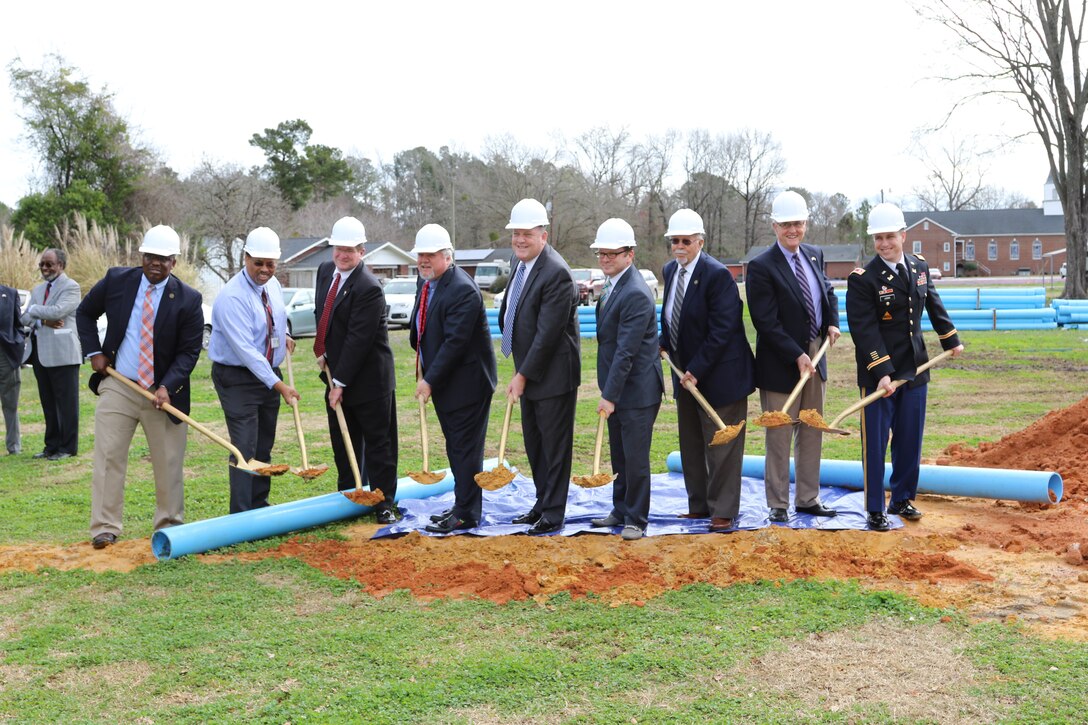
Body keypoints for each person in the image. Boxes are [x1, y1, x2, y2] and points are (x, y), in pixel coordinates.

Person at [75, 225, 204, 549]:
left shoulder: (189, 300)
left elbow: (189, 351)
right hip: (119, 384)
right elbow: (85, 312)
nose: (155, 264)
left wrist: (168, 386)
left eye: (163, 259)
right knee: (108, 456)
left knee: (168, 462)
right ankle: (104, 526)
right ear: (141, 256)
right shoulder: (118, 281)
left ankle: (170, 525)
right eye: (150, 257)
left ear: (173, 262)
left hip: (162, 393)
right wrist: (95, 352)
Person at [846, 203, 964, 532]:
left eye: (890, 236)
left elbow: (934, 305)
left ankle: (901, 497)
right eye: (878, 238)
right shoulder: (863, 279)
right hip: (879, 372)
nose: (884, 243)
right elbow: (863, 329)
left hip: (916, 367)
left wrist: (950, 339)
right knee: (876, 442)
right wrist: (881, 372)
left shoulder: (919, 266)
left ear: (903, 235)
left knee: (909, 439)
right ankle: (874, 508)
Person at [746, 191, 841, 523]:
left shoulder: (814, 255)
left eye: (798, 223)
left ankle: (807, 497)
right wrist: (796, 354)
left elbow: (827, 291)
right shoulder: (760, 267)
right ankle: (778, 503)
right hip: (780, 360)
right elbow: (764, 320)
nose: (793, 230)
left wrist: (832, 321)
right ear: (774, 225)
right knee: (780, 432)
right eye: (786, 224)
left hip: (817, 354)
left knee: (812, 428)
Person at [659, 208, 755, 533]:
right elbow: (673, 314)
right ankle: (697, 505)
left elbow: (723, 329)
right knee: (691, 443)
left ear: (700, 241)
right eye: (675, 241)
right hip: (685, 376)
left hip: (720, 376)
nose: (680, 247)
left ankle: (723, 510)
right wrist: (663, 341)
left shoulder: (717, 276)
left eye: (686, 241)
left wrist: (697, 369)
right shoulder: (671, 271)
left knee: (722, 445)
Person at [406, 224, 498, 534]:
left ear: (447, 256)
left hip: (467, 384)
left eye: (430, 255)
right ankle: (462, 504)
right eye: (420, 255)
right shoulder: (427, 283)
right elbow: (420, 326)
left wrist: (429, 380)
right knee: (455, 447)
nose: (424, 261)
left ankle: (467, 513)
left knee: (465, 450)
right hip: (447, 382)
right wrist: (419, 356)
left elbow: (455, 344)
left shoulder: (461, 289)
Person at [498, 198, 581, 535]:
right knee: (534, 443)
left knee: (554, 446)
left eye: (527, 234)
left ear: (543, 235)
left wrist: (522, 375)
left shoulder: (556, 273)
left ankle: (554, 513)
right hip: (530, 372)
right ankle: (541, 502)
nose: (520, 239)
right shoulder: (520, 265)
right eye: (516, 233)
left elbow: (547, 335)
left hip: (553, 376)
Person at [313, 216, 400, 524]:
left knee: (379, 444)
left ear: (362, 251)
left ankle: (384, 502)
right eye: (339, 248)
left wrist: (339, 383)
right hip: (336, 375)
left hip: (370, 380)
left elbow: (358, 341)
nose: (343, 255)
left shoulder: (369, 288)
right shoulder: (325, 272)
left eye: (350, 250)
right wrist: (321, 351)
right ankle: (349, 496)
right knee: (342, 440)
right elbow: (321, 311)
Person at [207, 227, 299, 513]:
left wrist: (281, 336)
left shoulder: (272, 285)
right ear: (245, 258)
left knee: (263, 444)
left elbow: (272, 319)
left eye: (270, 264)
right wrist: (279, 385)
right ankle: (242, 514)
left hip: (267, 373)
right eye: (258, 262)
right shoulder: (232, 297)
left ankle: (260, 505)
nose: (264, 269)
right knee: (244, 447)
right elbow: (246, 352)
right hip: (237, 378)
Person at [586, 219, 664, 541]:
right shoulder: (612, 284)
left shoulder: (634, 293)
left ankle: (636, 519)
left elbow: (626, 353)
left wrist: (609, 394)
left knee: (635, 458)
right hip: (619, 389)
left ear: (629, 255)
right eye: (601, 254)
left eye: (611, 254)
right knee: (618, 454)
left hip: (637, 391)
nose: (604, 260)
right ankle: (620, 508)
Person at [21, 249, 82, 460]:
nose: (45, 268)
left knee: (66, 404)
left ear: (61, 266)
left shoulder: (71, 287)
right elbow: (24, 319)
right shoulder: (38, 289)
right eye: (42, 264)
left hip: (64, 354)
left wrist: (35, 311)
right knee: (48, 403)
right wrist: (42, 320)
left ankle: (67, 448)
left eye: (50, 264)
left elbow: (58, 311)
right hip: (40, 354)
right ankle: (51, 446)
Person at [0, 284, 25, 455]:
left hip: (6, 354)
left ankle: (14, 446)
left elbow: (19, 324)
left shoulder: (10, 293)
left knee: (10, 402)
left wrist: (18, 344)